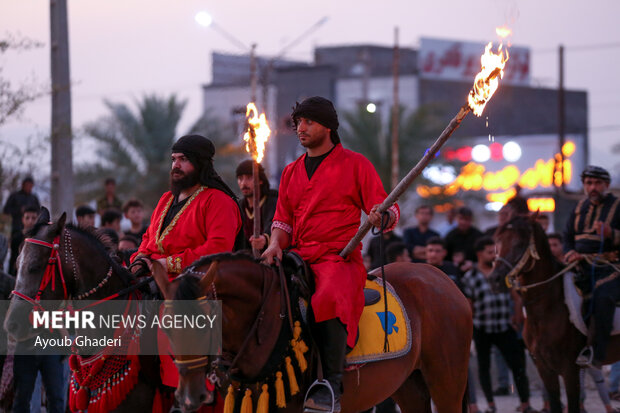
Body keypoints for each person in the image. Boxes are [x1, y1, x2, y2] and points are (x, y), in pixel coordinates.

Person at [262, 96, 399, 412]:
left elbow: (386, 205)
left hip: (338, 258)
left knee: (328, 299)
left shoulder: (356, 164)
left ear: (328, 126)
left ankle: (331, 385)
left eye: (308, 121)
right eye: (298, 123)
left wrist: (383, 215)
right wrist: (273, 245)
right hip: (297, 255)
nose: (301, 128)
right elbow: (282, 221)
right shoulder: (290, 172)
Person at [462, 237, 536, 413]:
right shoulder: (470, 276)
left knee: (517, 365)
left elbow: (516, 297)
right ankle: (490, 405)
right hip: (482, 329)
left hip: (505, 327)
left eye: (495, 251)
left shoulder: (503, 273)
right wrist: (470, 328)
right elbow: (468, 303)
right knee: (484, 368)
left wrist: (518, 317)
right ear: (479, 254)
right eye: (490, 252)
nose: (494, 255)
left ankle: (525, 404)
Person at [565, 166, 620, 369]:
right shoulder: (579, 207)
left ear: (606, 185)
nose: (593, 187)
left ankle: (598, 351)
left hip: (611, 266)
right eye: (589, 183)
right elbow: (567, 237)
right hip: (580, 264)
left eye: (597, 183)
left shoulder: (617, 205)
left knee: (602, 295)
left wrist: (611, 233)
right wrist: (569, 252)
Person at [235, 159, 278, 252]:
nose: (243, 183)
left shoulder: (273, 202)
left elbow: (274, 223)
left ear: (260, 180)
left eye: (249, 177)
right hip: (246, 259)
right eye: (240, 178)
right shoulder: (239, 206)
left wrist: (265, 238)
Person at [8, 206, 38, 275]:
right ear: (22, 219)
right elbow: (12, 260)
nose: (30, 221)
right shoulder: (16, 238)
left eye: (33, 218)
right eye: (27, 218)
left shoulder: (39, 239)